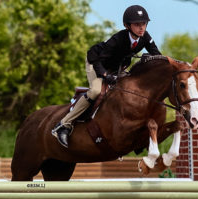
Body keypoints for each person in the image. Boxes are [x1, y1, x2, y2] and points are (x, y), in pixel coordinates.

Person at [52, 5, 161, 148]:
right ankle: (64, 125)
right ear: (127, 26)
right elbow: (98, 62)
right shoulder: (117, 39)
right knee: (96, 91)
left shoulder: (145, 37)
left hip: (116, 67)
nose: (142, 28)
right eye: (137, 24)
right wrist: (105, 75)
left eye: (144, 24)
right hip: (96, 63)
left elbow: (158, 56)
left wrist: (151, 58)